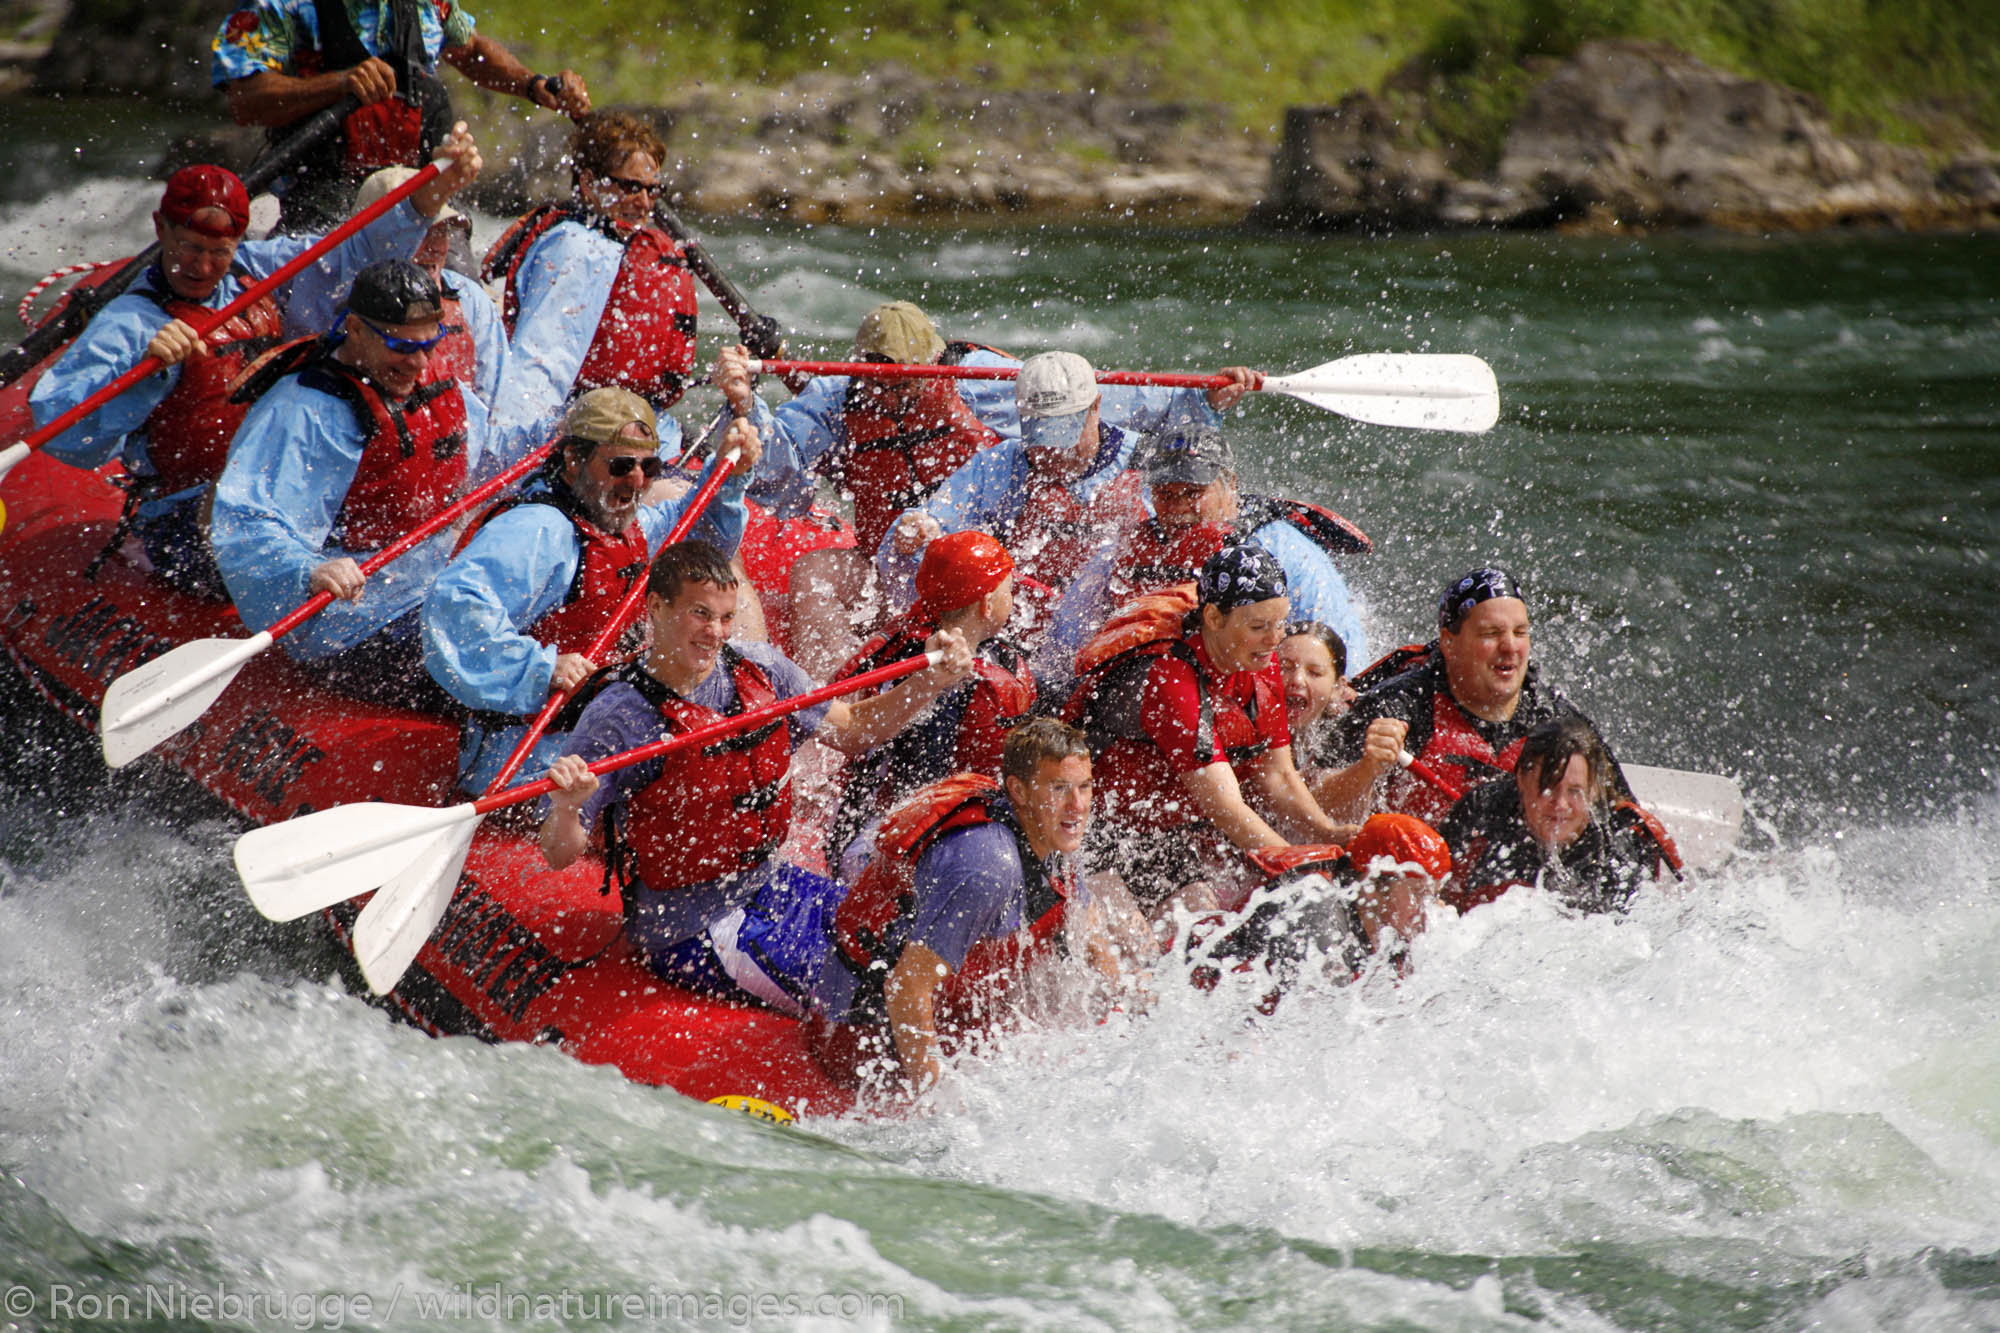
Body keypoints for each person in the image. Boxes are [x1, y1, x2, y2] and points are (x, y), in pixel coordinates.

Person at [537, 540, 975, 1012]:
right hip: (688, 927)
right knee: (867, 994)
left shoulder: (759, 667)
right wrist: (565, 806)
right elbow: (558, 854)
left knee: (905, 947)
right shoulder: (619, 716)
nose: (716, 632)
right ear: (656, 607)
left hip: (768, 884)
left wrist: (931, 681)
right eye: (700, 614)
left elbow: (854, 731)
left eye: (726, 617)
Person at [27, 146, 475, 597]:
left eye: (219, 252)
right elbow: (62, 433)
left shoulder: (258, 270)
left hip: (278, 481)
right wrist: (146, 374)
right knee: (234, 498)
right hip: (187, 519)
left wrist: (425, 200)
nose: (203, 267)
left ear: (238, 243)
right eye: (190, 248)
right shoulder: (129, 323)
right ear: (161, 230)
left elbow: (349, 259)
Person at [209, 255, 565, 707]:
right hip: (350, 621)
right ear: (354, 329)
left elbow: (490, 455)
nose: (418, 362)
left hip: (427, 582)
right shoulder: (305, 410)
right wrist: (308, 570)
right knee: (502, 674)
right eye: (400, 346)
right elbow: (246, 521)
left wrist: (561, 433)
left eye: (429, 343)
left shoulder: (424, 377)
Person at [420, 390, 760, 795]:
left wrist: (730, 476)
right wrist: (540, 668)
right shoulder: (539, 530)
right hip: (528, 754)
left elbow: (698, 536)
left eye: (649, 466)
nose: (637, 481)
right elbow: (453, 606)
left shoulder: (617, 522)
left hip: (596, 723)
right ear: (574, 460)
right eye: (620, 465)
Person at [807, 718, 1135, 1094]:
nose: (1077, 806)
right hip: (862, 1027)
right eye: (1059, 788)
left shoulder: (1053, 831)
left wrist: (1127, 1011)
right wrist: (938, 1103)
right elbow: (905, 987)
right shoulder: (987, 867)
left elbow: (1086, 924)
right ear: (1019, 791)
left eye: (1084, 787)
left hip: (941, 995)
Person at [707, 302, 1019, 675]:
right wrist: (745, 404)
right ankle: (840, 700)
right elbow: (772, 471)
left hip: (976, 568)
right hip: (889, 569)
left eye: (904, 387)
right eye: (878, 386)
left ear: (934, 362)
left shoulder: (976, 378)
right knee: (813, 573)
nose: (889, 399)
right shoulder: (838, 396)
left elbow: (1054, 421)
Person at [1063, 543, 1356, 922]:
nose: (1274, 639)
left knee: (1205, 935)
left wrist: (1328, 833)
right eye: (1258, 626)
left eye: (1280, 623)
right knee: (1135, 962)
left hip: (1158, 835)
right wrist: (1304, 872)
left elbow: (1278, 774)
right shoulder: (1168, 675)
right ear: (1214, 618)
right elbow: (1224, 805)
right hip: (1088, 831)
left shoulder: (1256, 659)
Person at [878, 350, 1257, 634]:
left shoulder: (1150, 464)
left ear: (1096, 407)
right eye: (1043, 437)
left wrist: (1206, 407)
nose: (1055, 452)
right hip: (1017, 634)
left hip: (1122, 632)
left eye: (1065, 435)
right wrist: (917, 528)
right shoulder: (1000, 465)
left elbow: (1206, 546)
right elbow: (928, 524)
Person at [211, 0, 591, 231]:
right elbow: (245, 102)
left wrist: (533, 85)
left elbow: (469, 49)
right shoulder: (278, 5)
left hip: (419, 196)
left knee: (457, 290)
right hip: (319, 199)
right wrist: (340, 84)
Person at [1044, 422, 1370, 682]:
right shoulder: (1126, 549)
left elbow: (1336, 653)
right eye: (1165, 493)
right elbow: (1066, 640)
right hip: (1155, 686)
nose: (1178, 507)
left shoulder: (1280, 547)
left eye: (1193, 492)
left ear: (1230, 483)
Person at [1319, 566, 1635, 824]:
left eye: (1520, 633)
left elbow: (1626, 818)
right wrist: (1366, 769)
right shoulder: (1398, 707)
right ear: (1449, 643)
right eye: (1491, 634)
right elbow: (1307, 808)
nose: (1510, 647)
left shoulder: (1555, 720)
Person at [821, 529, 1036, 872]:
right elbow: (930, 777)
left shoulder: (908, 638)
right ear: (988, 604)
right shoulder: (960, 679)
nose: (1015, 599)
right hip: (886, 845)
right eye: (1009, 591)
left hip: (857, 823)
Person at [482, 111, 699, 423]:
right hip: (581, 422)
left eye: (652, 190)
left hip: (642, 416)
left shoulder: (631, 246)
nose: (645, 203)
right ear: (588, 183)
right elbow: (538, 362)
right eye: (631, 187)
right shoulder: (574, 246)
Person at [286, 164, 506, 408]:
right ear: (378, 239)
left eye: (443, 232)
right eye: (424, 232)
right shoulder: (326, 296)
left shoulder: (471, 301)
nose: (436, 246)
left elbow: (498, 413)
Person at [1183, 811, 1451, 1002]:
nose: (1430, 907)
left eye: (1433, 894)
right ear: (1373, 881)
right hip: (1198, 992)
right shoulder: (1314, 917)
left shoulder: (1386, 924)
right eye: (1418, 893)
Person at [1437, 714, 1681, 915]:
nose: (1560, 805)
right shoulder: (1482, 811)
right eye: (1548, 787)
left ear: (1594, 790)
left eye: (1575, 791)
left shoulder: (1619, 849)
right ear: (1521, 778)